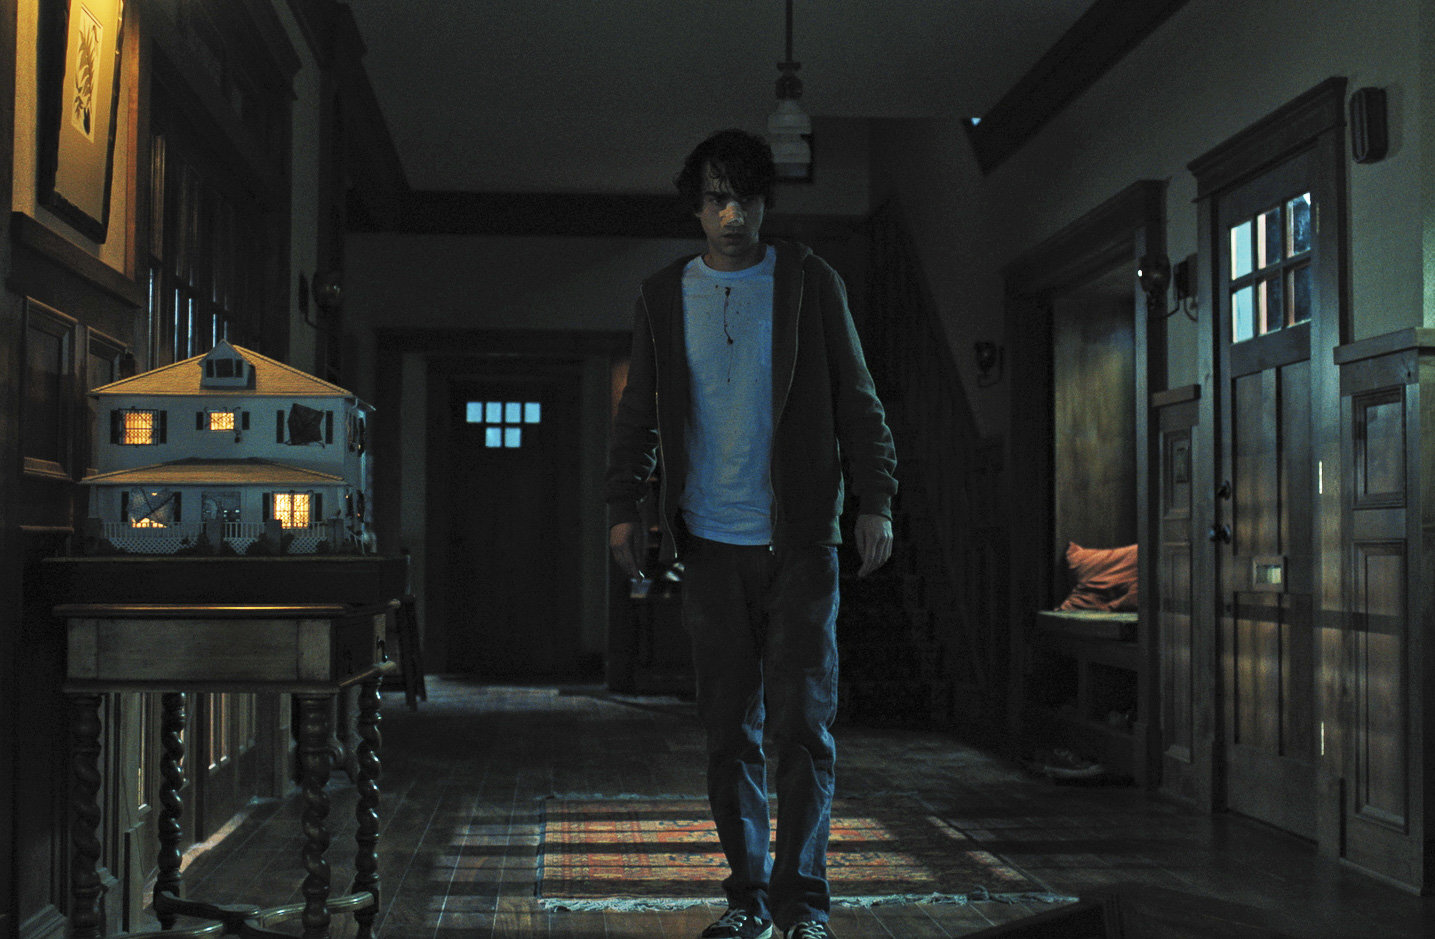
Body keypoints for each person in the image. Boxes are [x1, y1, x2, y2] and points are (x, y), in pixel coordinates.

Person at [605, 128, 897, 939]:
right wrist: (623, 504)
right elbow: (637, 414)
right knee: (726, 732)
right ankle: (748, 900)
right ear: (695, 208)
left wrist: (875, 497)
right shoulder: (663, 295)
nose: (732, 215)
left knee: (802, 728)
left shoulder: (808, 280)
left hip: (799, 543)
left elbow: (857, 398)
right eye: (716, 199)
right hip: (707, 545)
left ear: (766, 203)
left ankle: (803, 906)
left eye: (745, 198)